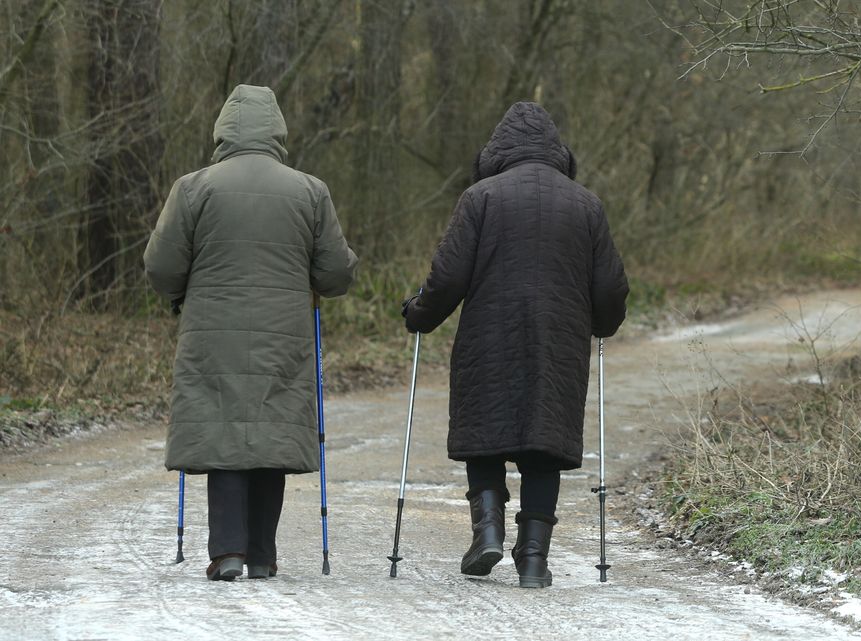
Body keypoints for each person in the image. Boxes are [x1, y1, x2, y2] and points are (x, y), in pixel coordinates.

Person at [403, 101, 629, 588]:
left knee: (486, 434)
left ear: (497, 151)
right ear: (557, 151)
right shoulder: (586, 204)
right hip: (559, 341)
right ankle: (532, 559)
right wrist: (605, 324)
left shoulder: (480, 197)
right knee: (544, 445)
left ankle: (486, 534)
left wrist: (419, 314)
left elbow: (447, 278)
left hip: (488, 335)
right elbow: (609, 288)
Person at [143, 85, 358, 581]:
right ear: (277, 131)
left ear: (223, 130)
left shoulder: (193, 188)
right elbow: (334, 276)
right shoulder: (310, 190)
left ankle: (227, 553)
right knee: (270, 433)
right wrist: (345, 261)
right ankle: (262, 554)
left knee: (224, 433)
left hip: (211, 332)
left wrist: (184, 287)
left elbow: (161, 267)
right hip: (284, 335)